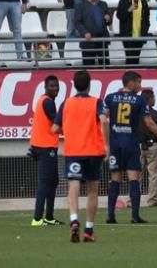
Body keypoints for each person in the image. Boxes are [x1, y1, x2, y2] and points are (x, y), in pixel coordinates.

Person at [102, 71, 157, 224]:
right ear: (132, 82)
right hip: (131, 145)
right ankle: (135, 215)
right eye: (139, 82)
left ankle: (110, 215)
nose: (140, 86)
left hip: (115, 145)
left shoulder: (111, 98)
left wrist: (104, 141)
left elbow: (102, 117)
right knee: (133, 179)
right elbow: (149, 123)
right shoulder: (139, 100)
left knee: (115, 179)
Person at [53, 70, 107, 243]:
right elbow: (104, 120)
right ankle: (89, 230)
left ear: (73, 84)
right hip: (93, 151)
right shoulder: (96, 102)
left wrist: (69, 129)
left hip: (73, 150)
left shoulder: (66, 103)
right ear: (89, 84)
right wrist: (107, 144)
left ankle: (74, 219)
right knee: (92, 190)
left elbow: (54, 129)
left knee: (73, 186)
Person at [29, 75, 62, 226]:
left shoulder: (45, 100)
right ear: (45, 87)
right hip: (45, 146)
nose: (55, 88)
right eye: (52, 86)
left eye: (56, 86)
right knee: (45, 182)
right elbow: (57, 123)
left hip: (45, 145)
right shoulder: (47, 102)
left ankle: (49, 216)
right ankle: (37, 219)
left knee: (53, 181)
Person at [139, 89, 157, 207]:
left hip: (138, 146)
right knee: (154, 175)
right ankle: (152, 200)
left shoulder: (136, 114)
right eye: (154, 97)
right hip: (154, 146)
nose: (155, 99)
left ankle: (132, 200)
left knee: (135, 175)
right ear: (150, 99)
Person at [114, 0, 151, 66]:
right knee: (129, 59)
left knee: (136, 59)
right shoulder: (123, 1)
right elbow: (119, 16)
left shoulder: (143, 2)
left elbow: (146, 19)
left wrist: (145, 30)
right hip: (127, 35)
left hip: (139, 35)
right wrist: (128, 10)